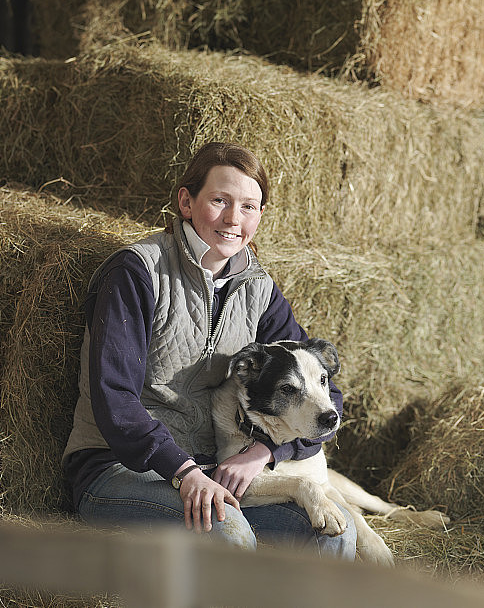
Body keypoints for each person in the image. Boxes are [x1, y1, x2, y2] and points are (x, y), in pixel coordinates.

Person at [62, 142, 356, 558]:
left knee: (334, 532)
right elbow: (115, 401)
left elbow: (326, 395)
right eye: (220, 200)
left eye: (249, 206)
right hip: (119, 468)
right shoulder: (137, 272)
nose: (234, 219)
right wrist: (183, 473)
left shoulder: (258, 289)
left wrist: (265, 451)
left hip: (211, 469)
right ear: (186, 201)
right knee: (227, 532)